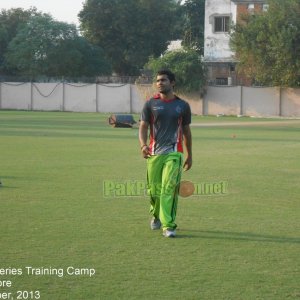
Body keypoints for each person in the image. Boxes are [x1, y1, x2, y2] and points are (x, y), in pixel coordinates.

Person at [139, 69, 192, 238]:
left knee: (168, 189)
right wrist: (143, 145)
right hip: (154, 154)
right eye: (158, 80)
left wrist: (190, 155)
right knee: (154, 190)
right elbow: (143, 127)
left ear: (172, 83)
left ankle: (168, 226)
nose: (159, 83)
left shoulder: (182, 106)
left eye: (163, 80)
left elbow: (186, 131)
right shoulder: (150, 104)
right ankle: (156, 216)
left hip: (174, 154)